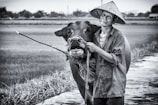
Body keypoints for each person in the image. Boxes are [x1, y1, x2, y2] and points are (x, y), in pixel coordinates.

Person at [86, 1, 131, 105]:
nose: (104, 19)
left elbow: (115, 59)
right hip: (98, 88)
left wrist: (96, 49)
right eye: (102, 16)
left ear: (113, 20)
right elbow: (92, 58)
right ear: (99, 17)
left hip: (114, 87)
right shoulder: (95, 36)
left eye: (108, 17)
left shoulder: (118, 36)